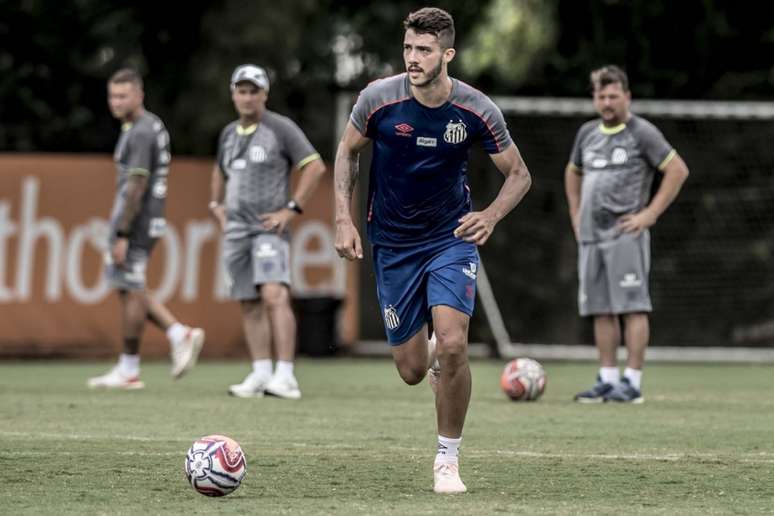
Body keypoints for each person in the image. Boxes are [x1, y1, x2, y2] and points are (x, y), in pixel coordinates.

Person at [334, 8, 531, 494]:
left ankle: (447, 458)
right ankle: (431, 358)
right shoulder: (378, 100)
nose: (413, 59)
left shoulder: (476, 109)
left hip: (450, 239)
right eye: (408, 49)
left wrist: (489, 216)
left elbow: (519, 174)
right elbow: (347, 152)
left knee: (454, 343)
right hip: (393, 244)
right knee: (411, 370)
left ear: (447, 54)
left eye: (424, 50)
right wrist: (343, 216)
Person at [565, 65, 689, 404]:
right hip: (591, 235)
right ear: (594, 98)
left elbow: (677, 170)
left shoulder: (642, 133)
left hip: (625, 234)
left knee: (632, 307)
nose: (607, 102)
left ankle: (631, 382)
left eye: (613, 96)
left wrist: (649, 214)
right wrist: (576, 214)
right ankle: (607, 379)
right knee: (600, 309)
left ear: (627, 97)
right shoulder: (587, 134)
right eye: (601, 96)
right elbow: (572, 173)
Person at [209, 64, 326, 400]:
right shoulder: (229, 133)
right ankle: (261, 372)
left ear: (264, 94)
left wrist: (291, 209)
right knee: (248, 300)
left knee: (275, 295)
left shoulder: (280, 127)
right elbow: (220, 171)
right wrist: (215, 206)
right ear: (233, 94)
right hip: (236, 230)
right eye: (241, 91)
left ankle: (286, 374)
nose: (247, 97)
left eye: (253, 91)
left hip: (267, 229)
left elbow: (314, 166)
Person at [88, 68, 205, 390]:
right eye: (113, 95)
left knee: (130, 289)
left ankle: (132, 366)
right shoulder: (148, 126)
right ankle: (176, 335)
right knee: (130, 287)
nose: (116, 102)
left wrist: (123, 232)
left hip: (136, 220)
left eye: (123, 95)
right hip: (148, 217)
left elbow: (137, 183)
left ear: (139, 95)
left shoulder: (140, 131)